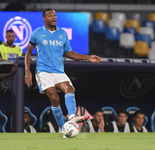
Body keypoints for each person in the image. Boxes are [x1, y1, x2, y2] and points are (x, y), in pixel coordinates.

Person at [24, 8, 102, 138]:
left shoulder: (63, 34)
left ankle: (71, 117)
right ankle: (63, 129)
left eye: (54, 15)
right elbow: (28, 53)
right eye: (50, 15)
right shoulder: (37, 33)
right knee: (54, 98)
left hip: (59, 71)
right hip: (43, 72)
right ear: (44, 18)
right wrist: (27, 71)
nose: (53, 17)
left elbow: (69, 53)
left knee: (70, 89)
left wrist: (88, 57)